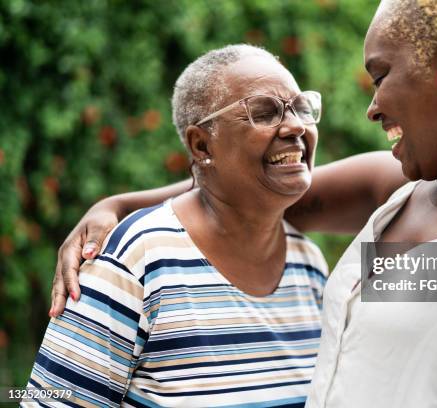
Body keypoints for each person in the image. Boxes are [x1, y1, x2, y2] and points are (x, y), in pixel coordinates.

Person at [51, 0, 437, 407]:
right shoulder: (397, 193)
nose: (371, 106)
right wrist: (118, 205)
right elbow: (249, 185)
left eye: (381, 75)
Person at [25, 44, 405, 407]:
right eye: (265, 111)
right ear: (202, 146)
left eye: (301, 108)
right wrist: (122, 207)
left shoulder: (308, 265)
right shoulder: (136, 260)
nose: (294, 126)